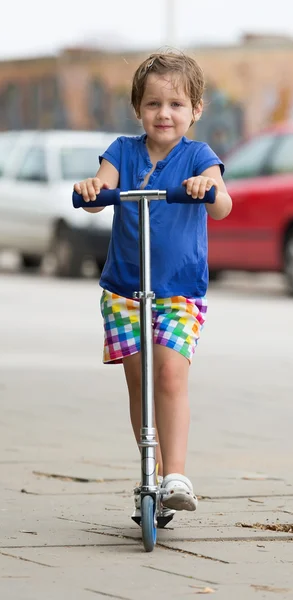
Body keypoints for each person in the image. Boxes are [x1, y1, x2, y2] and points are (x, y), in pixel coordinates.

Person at [73, 50, 232, 516]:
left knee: (169, 374)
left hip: (179, 290)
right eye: (154, 104)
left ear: (195, 110)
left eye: (177, 105)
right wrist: (90, 190)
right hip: (124, 288)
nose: (165, 113)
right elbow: (100, 194)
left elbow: (222, 203)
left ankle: (176, 475)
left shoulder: (199, 156)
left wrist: (209, 189)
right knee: (141, 384)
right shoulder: (122, 150)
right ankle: (152, 476)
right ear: (138, 109)